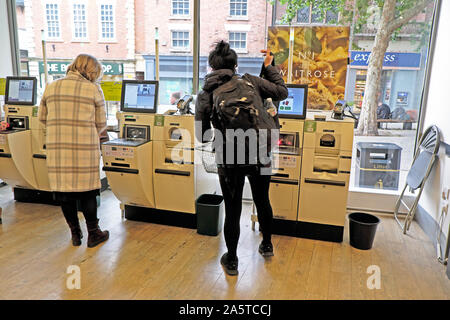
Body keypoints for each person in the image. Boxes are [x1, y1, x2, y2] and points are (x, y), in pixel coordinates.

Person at [195, 41, 288, 276]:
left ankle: (232, 260)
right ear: (235, 65)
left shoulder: (206, 93)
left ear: (211, 67)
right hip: (260, 152)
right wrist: (269, 67)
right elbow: (282, 92)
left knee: (233, 208)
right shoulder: (249, 80)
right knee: (263, 200)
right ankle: (267, 245)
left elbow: (202, 135)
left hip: (229, 157)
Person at [38, 54, 109, 248]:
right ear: (92, 71)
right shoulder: (94, 90)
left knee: (64, 193)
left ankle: (75, 234)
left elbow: (42, 117)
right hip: (84, 149)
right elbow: (102, 123)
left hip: (58, 149)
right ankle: (94, 234)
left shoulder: (52, 87)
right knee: (87, 193)